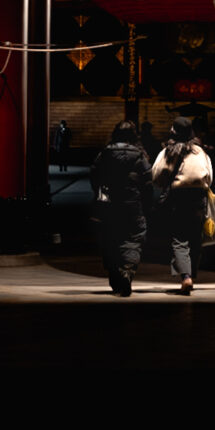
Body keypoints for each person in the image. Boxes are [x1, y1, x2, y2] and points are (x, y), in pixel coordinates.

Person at [90, 120, 152, 297]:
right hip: (132, 202)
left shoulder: (105, 153)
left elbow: (94, 174)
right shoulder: (139, 155)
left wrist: (99, 192)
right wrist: (146, 202)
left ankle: (115, 276)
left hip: (109, 203)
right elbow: (148, 180)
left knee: (110, 237)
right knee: (134, 237)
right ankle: (127, 270)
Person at [152, 116, 213, 295]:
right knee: (195, 238)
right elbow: (209, 175)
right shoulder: (200, 151)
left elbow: (156, 175)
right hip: (198, 198)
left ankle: (186, 276)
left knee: (179, 239)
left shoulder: (168, 151)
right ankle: (191, 274)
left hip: (177, 199)